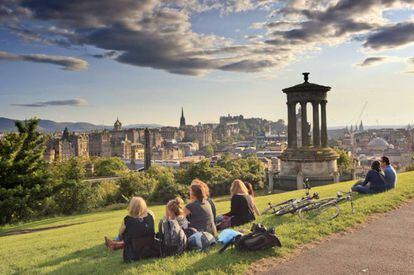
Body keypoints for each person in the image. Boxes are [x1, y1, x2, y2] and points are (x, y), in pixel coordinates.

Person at [105, 197, 158, 262]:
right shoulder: (151, 215)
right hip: (151, 249)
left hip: (133, 253)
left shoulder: (127, 219)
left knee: (125, 234)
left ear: (131, 206)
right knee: (137, 233)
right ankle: (115, 243)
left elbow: (120, 233)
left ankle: (115, 242)